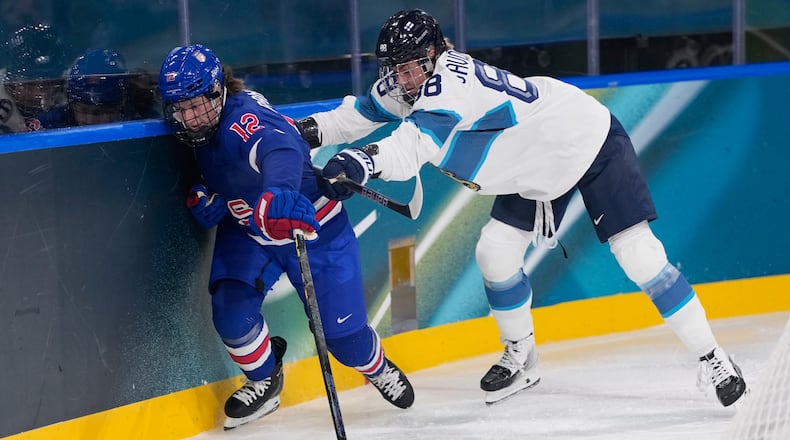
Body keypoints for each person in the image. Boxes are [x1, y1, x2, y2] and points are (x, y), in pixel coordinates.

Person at [296, 9, 748, 407]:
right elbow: (359, 114)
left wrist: (363, 162)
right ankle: (522, 355)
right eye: (395, 69)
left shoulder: (449, 86)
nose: (402, 79)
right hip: (535, 167)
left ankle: (714, 358)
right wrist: (301, 132)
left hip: (584, 140)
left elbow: (412, 146)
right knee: (494, 254)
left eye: (410, 66)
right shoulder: (408, 83)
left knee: (639, 255)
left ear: (432, 55)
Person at [157, 44, 414, 430]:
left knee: (344, 342)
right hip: (250, 231)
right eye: (180, 108)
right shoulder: (198, 128)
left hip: (311, 228)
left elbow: (283, 146)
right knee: (231, 316)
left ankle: (376, 366)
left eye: (195, 105)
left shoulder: (242, 116)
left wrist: (278, 192)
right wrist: (209, 196)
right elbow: (224, 172)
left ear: (217, 91)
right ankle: (265, 380)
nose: (189, 118)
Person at [37, 48, 130, 128]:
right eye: (83, 110)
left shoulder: (135, 121)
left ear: (119, 107)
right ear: (71, 106)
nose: (89, 121)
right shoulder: (49, 124)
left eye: (99, 113)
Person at [3, 23, 67, 132]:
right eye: (30, 83)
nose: (38, 93)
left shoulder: (73, 91)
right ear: (11, 77)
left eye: (47, 83)